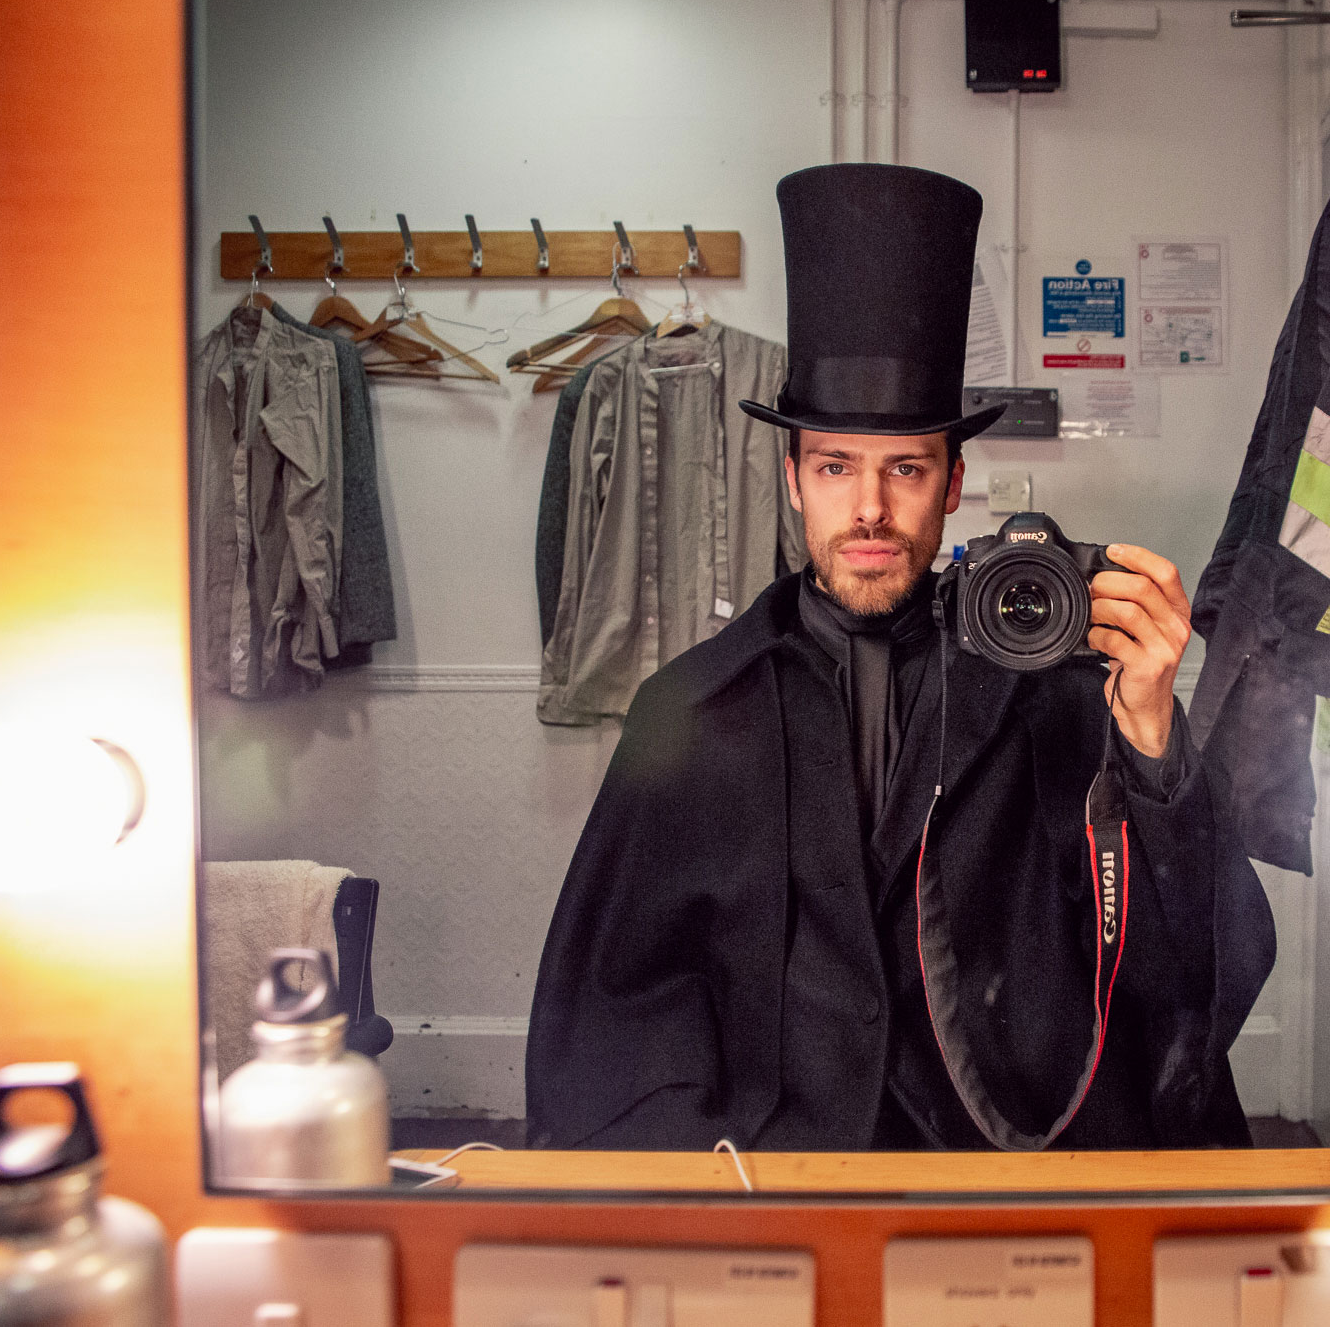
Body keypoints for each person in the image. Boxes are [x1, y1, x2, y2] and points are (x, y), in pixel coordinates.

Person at [526, 163, 1275, 1151]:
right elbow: (612, 1006)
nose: (869, 508)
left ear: (953, 480)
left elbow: (1190, 965)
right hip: (776, 1157)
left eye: (904, 469)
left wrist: (1149, 737)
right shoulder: (694, 707)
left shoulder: (1051, 693)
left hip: (1006, 1148)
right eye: (834, 466)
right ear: (792, 478)